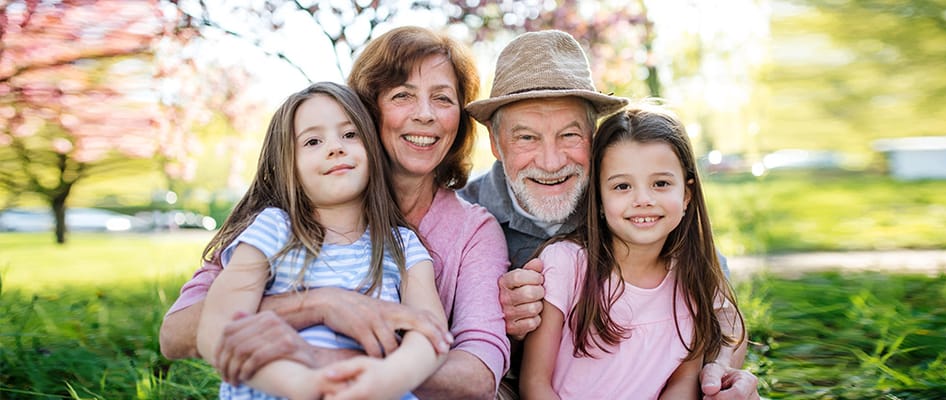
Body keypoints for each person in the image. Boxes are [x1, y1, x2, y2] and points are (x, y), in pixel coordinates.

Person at [160, 27, 510, 399]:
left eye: (442, 98)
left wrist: (344, 369)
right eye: (402, 95)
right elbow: (183, 333)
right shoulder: (273, 227)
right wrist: (320, 307)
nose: (425, 114)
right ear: (368, 112)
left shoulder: (434, 240)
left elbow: (471, 370)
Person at [460, 30, 758, 399]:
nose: (551, 162)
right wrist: (490, 317)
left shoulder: (624, 204)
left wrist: (721, 367)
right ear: (495, 142)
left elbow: (717, 303)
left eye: (570, 135)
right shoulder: (465, 220)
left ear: (593, 134)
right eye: (527, 138)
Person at [195, 81, 447, 399]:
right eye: (313, 141)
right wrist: (302, 384)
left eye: (350, 134)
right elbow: (217, 328)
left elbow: (431, 333)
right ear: (289, 165)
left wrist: (389, 378)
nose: (335, 147)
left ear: (372, 148)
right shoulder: (273, 230)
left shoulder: (402, 245)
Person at [520, 104, 746, 399]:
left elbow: (683, 380)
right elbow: (535, 383)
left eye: (661, 183)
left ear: (687, 194)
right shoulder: (565, 264)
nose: (643, 199)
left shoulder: (693, 278)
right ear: (599, 199)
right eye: (622, 186)